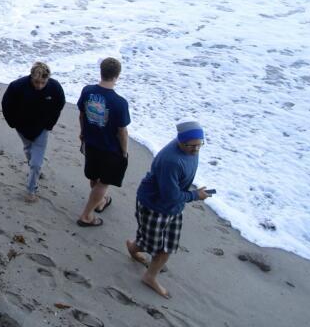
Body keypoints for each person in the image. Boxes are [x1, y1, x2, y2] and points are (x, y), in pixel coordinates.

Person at [126, 119, 213, 298]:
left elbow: (175, 193)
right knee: (161, 248)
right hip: (154, 206)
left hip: (173, 207)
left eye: (200, 145)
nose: (196, 150)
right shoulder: (171, 161)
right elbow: (170, 195)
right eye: (192, 146)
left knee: (162, 244)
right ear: (180, 141)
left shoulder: (190, 148)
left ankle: (134, 249)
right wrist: (196, 195)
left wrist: (190, 194)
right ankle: (149, 276)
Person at [75, 56, 130, 226]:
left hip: (91, 142)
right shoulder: (119, 103)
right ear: (117, 75)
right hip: (109, 148)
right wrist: (124, 151)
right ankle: (86, 216)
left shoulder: (87, 91)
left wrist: (83, 133)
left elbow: (82, 115)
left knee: (94, 176)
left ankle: (99, 202)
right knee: (104, 182)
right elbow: (122, 131)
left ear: (101, 72)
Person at [0, 62, 66, 202]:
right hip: (22, 127)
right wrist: (13, 123)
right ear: (31, 77)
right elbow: (6, 104)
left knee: (36, 163)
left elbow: (60, 104)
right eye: (36, 82)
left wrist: (50, 124)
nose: (39, 86)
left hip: (41, 128)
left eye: (43, 82)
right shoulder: (17, 86)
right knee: (28, 150)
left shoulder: (54, 87)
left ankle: (31, 190)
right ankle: (34, 169)